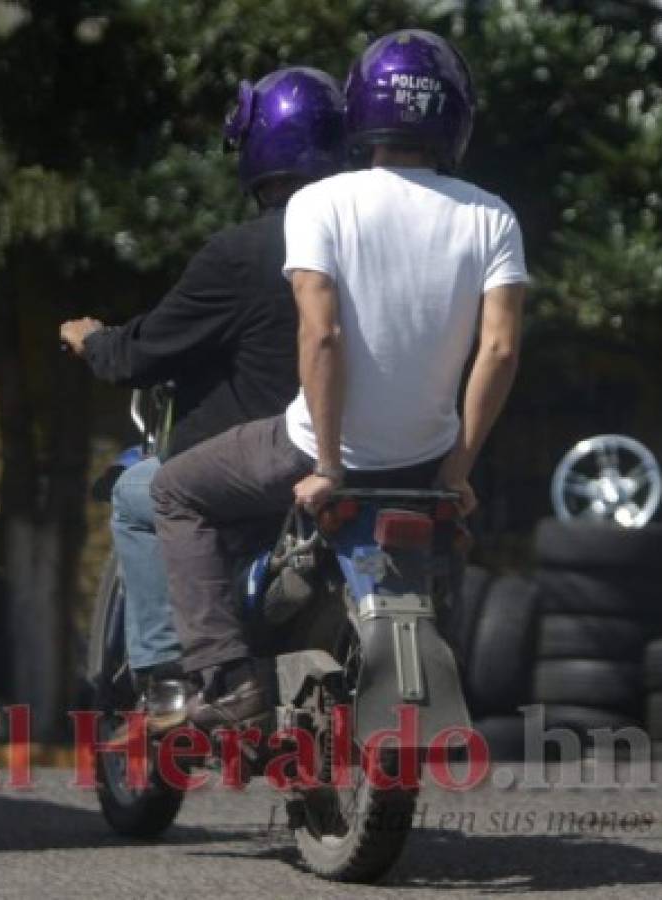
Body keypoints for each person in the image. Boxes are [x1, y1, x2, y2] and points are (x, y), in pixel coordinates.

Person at [151, 29, 529, 731]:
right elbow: (500, 351)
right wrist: (457, 468)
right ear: (455, 116)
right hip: (423, 462)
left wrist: (327, 463)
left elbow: (320, 334)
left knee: (172, 492)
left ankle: (225, 676)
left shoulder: (318, 204)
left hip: (312, 447)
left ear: (361, 111)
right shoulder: (492, 216)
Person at [59, 67, 346, 726]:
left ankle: (170, 680)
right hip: (375, 451)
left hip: (269, 466)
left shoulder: (243, 253)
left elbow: (142, 352)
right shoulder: (366, 239)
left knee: (139, 494)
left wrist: (91, 340)